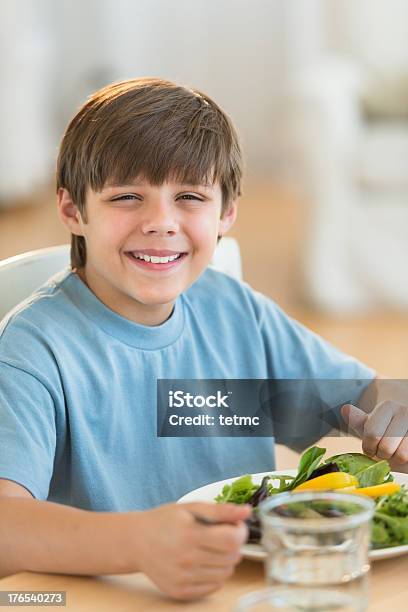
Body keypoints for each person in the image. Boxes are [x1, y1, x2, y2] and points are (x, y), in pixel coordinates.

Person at [0, 77, 406, 602]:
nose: (161, 223)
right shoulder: (32, 351)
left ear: (226, 214)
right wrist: (139, 543)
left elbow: (371, 395)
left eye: (189, 197)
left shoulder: (237, 314)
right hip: (110, 596)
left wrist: (393, 414)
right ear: (73, 210)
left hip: (240, 593)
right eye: (127, 196)